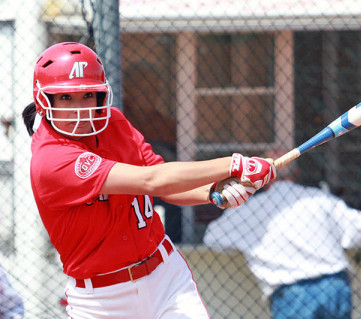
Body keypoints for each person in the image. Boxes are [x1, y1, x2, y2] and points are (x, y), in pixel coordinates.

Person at [22, 42, 276, 319]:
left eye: (88, 95)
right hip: (102, 301)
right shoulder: (51, 160)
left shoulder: (114, 123)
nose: (80, 108)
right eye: (66, 98)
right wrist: (234, 163)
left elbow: (165, 185)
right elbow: (152, 181)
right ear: (44, 100)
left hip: (165, 276)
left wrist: (212, 193)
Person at [203, 150, 361, 319]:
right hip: (335, 285)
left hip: (291, 292)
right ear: (296, 173)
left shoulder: (250, 209)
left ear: (261, 179)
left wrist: (250, 243)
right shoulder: (319, 198)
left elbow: (212, 238)